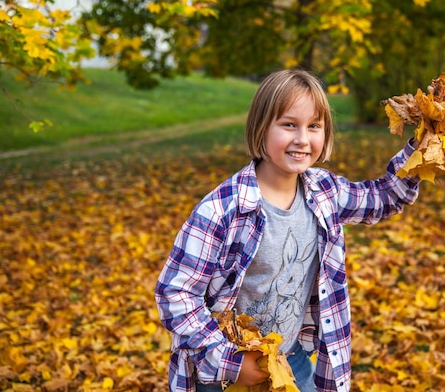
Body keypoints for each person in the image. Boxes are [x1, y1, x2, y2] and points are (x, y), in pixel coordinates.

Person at [155, 69, 420, 392]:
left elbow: (384, 197)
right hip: (226, 370)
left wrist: (422, 149)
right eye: (289, 125)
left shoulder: (325, 191)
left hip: (290, 358)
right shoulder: (223, 209)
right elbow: (176, 293)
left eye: (314, 126)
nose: (302, 139)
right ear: (261, 128)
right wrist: (231, 361)